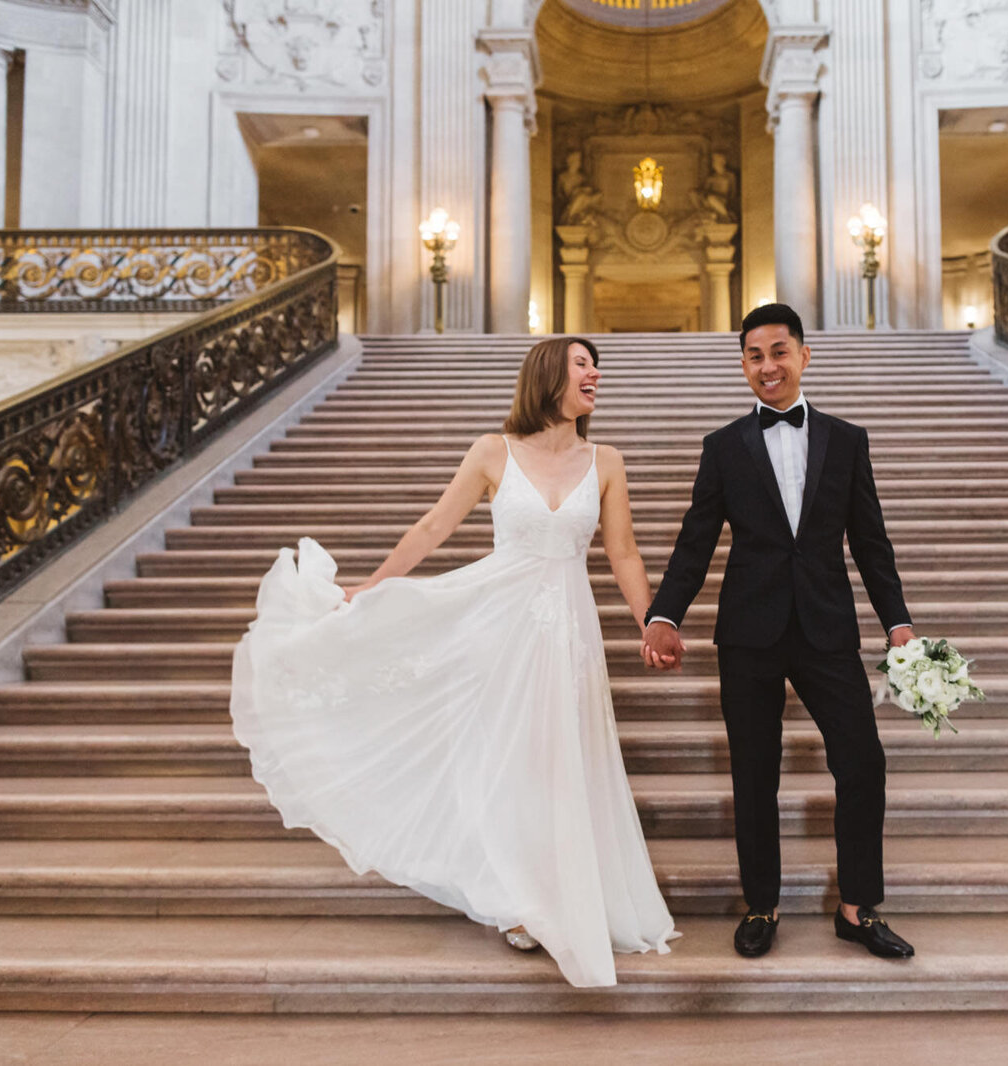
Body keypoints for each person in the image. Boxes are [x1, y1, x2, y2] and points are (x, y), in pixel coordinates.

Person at [230, 336, 678, 989]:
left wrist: (651, 621)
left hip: (567, 630)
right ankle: (521, 899)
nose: (595, 374)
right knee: (511, 758)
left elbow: (624, 553)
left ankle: (568, 890)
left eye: (595, 365)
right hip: (498, 624)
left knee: (562, 758)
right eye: (582, 364)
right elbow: (434, 527)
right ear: (548, 375)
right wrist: (372, 586)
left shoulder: (605, 460)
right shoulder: (493, 450)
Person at [641, 303, 918, 961]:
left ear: (803, 355)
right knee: (753, 771)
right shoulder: (723, 446)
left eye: (778, 351)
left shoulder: (847, 440)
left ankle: (856, 907)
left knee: (862, 761)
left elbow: (871, 543)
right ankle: (761, 904)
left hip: (827, 627)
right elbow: (695, 540)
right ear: (744, 365)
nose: (768, 365)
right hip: (748, 631)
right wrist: (664, 613)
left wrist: (898, 621)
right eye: (755, 355)